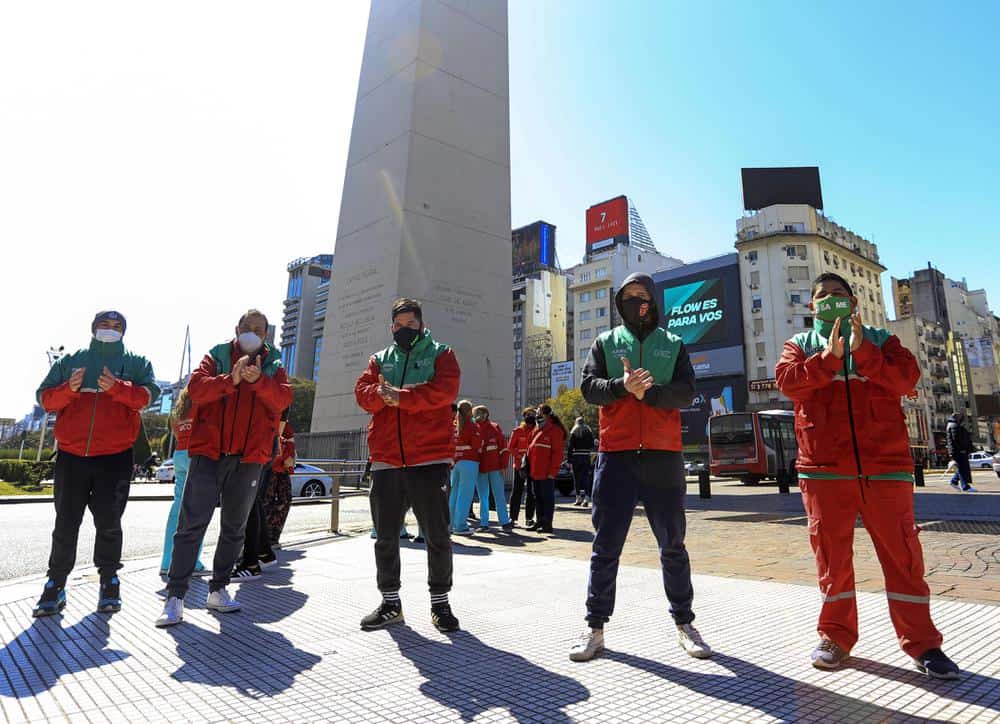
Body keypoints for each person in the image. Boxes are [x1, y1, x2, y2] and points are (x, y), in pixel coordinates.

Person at [775, 272, 960, 679]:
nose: (831, 301)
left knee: (904, 559)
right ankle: (835, 637)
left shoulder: (881, 340)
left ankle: (924, 645)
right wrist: (829, 359)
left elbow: (907, 378)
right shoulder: (801, 345)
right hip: (824, 472)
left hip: (886, 470)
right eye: (822, 296)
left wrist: (863, 354)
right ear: (812, 307)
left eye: (839, 294)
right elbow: (787, 383)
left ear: (855, 301)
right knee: (832, 561)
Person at [570, 273, 711, 663]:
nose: (636, 302)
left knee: (673, 545)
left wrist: (648, 394)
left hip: (664, 456)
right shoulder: (606, 342)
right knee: (605, 548)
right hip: (615, 457)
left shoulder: (673, 344)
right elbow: (588, 388)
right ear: (620, 303)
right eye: (628, 297)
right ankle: (594, 628)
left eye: (643, 296)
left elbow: (687, 391)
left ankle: (685, 623)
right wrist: (620, 387)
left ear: (653, 301)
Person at [156, 309, 292, 627]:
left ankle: (218, 590)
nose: (252, 332)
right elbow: (197, 389)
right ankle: (175, 596)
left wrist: (259, 381)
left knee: (235, 528)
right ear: (237, 328)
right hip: (209, 455)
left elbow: (283, 399)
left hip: (250, 459)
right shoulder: (216, 355)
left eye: (259, 329)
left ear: (266, 335)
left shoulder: (274, 365)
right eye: (247, 326)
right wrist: (229, 379)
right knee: (191, 525)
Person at [33, 310, 159, 617]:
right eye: (104, 324)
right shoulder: (70, 361)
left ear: (124, 332)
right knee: (65, 523)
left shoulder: (137, 363)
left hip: (115, 457)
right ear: (93, 328)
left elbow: (148, 397)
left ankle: (109, 582)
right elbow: (44, 398)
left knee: (109, 524)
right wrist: (69, 390)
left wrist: (117, 388)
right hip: (71, 456)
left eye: (116, 326)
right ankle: (55, 584)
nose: (110, 329)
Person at [354, 298, 462, 633]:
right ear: (392, 327)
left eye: (411, 325)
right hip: (386, 459)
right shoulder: (380, 359)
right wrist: (381, 396)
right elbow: (362, 392)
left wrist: (402, 397)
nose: (405, 330)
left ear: (421, 324)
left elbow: (444, 392)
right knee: (385, 536)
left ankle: (440, 604)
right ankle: (390, 603)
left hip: (428, 458)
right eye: (399, 325)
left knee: (437, 535)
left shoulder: (442, 354)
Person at [234, 412, 291, 580]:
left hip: (256, 445)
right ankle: (262, 553)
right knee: (252, 502)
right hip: (261, 445)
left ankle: (251, 562)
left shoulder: (271, 387)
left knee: (248, 502)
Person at [159, 387, 207, 577]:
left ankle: (167, 561)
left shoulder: (177, 412)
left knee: (178, 506)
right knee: (197, 511)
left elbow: (178, 435)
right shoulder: (201, 406)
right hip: (196, 456)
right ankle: (193, 561)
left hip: (179, 454)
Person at [526, 404, 566, 534]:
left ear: (546, 414)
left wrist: (552, 472)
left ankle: (547, 523)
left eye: (538, 412)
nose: (536, 414)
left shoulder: (555, 431)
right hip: (535, 472)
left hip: (547, 473)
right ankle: (539, 521)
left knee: (547, 498)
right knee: (537, 497)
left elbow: (557, 454)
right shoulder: (536, 430)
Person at [473, 405, 512, 533]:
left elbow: (504, 448)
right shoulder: (474, 428)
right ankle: (484, 523)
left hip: (495, 468)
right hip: (481, 468)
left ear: (485, 414)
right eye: (475, 413)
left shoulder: (495, 428)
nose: (476, 416)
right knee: (483, 497)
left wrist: (503, 465)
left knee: (499, 495)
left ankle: (504, 522)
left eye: (478, 413)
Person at [449, 400, 482, 536]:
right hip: (469, 462)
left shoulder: (454, 425)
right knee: (465, 495)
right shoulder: (472, 426)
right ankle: (461, 525)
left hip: (455, 462)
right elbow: (476, 445)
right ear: (469, 411)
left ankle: (449, 524)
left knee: (453, 494)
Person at [264, 421, 296, 546]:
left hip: (282, 469)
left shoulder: (287, 426)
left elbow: (291, 445)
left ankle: (274, 535)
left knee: (286, 500)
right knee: (266, 502)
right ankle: (264, 536)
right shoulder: (269, 420)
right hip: (268, 468)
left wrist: (289, 456)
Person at [507, 408, 537, 527]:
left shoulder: (536, 430)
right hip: (520, 466)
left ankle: (529, 518)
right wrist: (519, 456)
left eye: (533, 415)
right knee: (517, 491)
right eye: (529, 415)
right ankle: (513, 518)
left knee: (531, 492)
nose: (531, 417)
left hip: (533, 466)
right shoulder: (518, 431)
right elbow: (510, 447)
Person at [568, 416, 596, 507]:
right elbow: (592, 445)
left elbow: (570, 447)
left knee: (577, 479)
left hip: (576, 457)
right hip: (586, 456)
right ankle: (587, 498)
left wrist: (569, 460)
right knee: (586, 478)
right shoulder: (588, 432)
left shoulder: (574, 431)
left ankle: (578, 498)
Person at [946, 413, 976, 492]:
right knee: (962, 468)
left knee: (962, 468)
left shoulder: (953, 425)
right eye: (960, 417)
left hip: (958, 451)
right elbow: (956, 439)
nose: (961, 418)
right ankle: (965, 486)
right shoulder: (954, 426)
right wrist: (962, 449)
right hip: (959, 451)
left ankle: (954, 481)